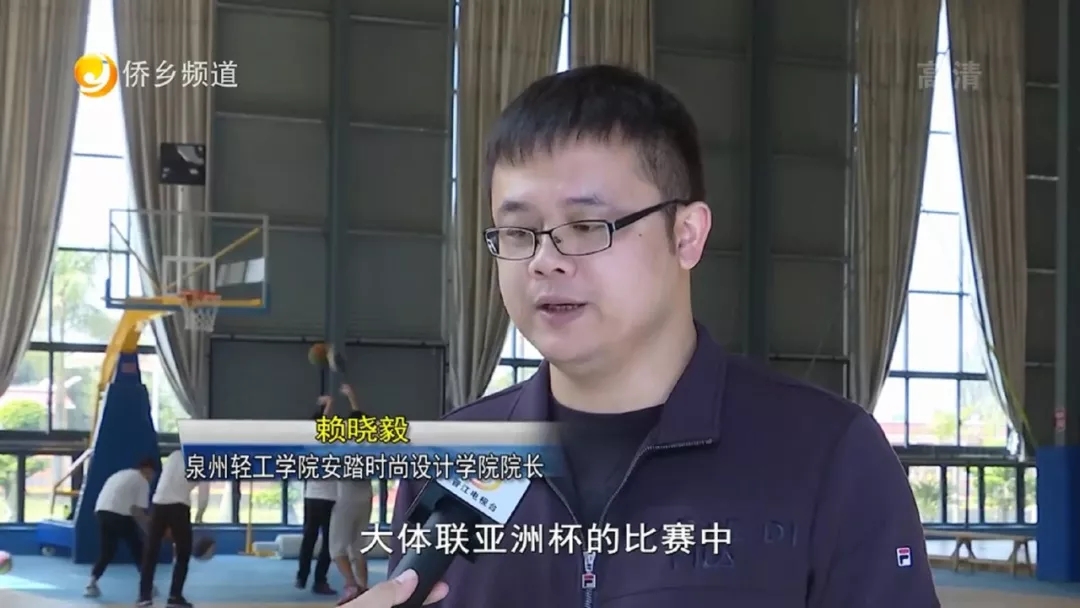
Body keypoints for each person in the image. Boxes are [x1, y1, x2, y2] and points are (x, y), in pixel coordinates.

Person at [348, 64, 939, 608]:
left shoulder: (828, 456)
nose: (545, 261)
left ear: (686, 235)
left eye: (587, 225)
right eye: (519, 232)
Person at [137, 450, 209, 608]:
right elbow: (203, 495)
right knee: (183, 553)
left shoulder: (174, 455)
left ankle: (144, 596)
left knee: (151, 552)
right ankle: (175, 596)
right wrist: (199, 515)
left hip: (158, 505)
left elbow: (167, 480)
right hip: (179, 507)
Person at [84, 458, 158, 599]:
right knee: (139, 550)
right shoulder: (142, 481)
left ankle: (91, 584)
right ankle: (148, 585)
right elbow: (137, 511)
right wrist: (150, 532)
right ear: (148, 470)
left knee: (107, 552)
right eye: (153, 474)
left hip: (102, 512)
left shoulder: (120, 474)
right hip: (120, 514)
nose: (153, 478)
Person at [329, 383, 375, 605]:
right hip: (366, 498)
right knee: (358, 548)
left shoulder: (343, 445)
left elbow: (324, 426)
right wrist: (352, 397)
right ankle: (364, 587)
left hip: (346, 499)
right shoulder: (372, 444)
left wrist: (330, 404)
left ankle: (351, 585)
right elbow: (359, 417)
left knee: (336, 549)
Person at [296, 395, 338, 596]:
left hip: (315, 497)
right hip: (325, 498)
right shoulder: (320, 443)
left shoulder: (311, 445)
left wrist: (327, 405)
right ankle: (317, 580)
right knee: (325, 541)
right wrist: (329, 404)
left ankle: (304, 577)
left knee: (311, 538)